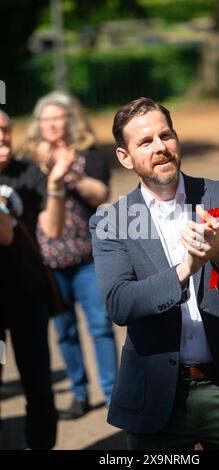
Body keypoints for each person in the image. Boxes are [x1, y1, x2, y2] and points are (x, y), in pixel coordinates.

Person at [90, 97, 219, 450]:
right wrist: (185, 270)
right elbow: (120, 304)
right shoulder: (110, 221)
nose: (160, 147)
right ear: (125, 157)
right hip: (156, 393)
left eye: (166, 135)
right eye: (145, 142)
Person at [23, 91, 118, 418]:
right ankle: (79, 394)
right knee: (64, 332)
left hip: (88, 259)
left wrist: (69, 172)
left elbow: (101, 194)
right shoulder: (30, 163)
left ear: (69, 120)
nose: (51, 124)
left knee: (101, 327)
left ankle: (112, 394)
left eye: (57, 117)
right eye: (45, 119)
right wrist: (51, 171)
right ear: (39, 124)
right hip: (48, 263)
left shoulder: (88, 156)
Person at [0, 108, 72, 448]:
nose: (2, 136)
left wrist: (56, 183)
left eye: (5, 129)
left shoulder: (28, 172)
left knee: (38, 383)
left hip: (27, 297)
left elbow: (53, 229)